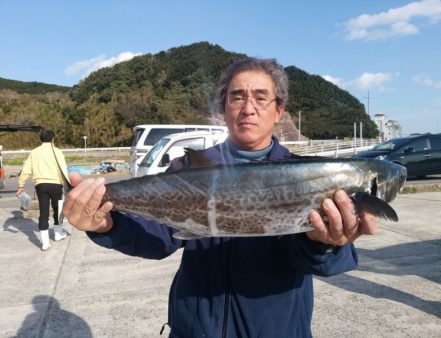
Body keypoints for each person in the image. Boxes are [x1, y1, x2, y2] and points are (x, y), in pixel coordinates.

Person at [63, 58, 377, 337]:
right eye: (237, 97)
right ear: (223, 107)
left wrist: (325, 244)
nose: (248, 107)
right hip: (195, 329)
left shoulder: (310, 176)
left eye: (261, 98)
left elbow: (327, 264)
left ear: (279, 110)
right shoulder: (188, 167)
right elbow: (158, 240)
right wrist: (106, 226)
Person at [16, 128, 70, 251]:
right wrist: (68, 187)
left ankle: (45, 243)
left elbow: (26, 170)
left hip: (41, 185)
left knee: (44, 212)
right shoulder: (57, 152)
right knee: (58, 210)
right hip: (56, 185)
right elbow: (64, 170)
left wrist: (21, 184)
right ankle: (57, 234)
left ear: (41, 139)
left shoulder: (34, 152)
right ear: (52, 139)